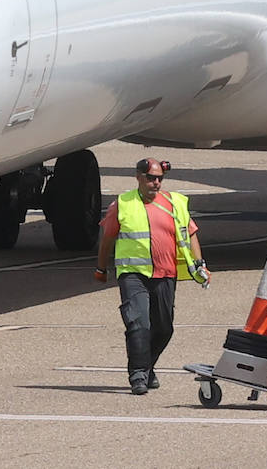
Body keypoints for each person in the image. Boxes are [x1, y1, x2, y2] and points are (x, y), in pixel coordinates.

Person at [95, 158, 210, 395]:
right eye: (150, 178)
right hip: (133, 274)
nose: (156, 183)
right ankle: (138, 375)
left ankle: (147, 366)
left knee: (164, 328)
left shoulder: (175, 203)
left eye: (159, 178)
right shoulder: (123, 204)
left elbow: (190, 233)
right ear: (138, 177)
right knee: (138, 323)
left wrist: (200, 264)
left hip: (165, 273)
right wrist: (101, 268)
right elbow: (107, 238)